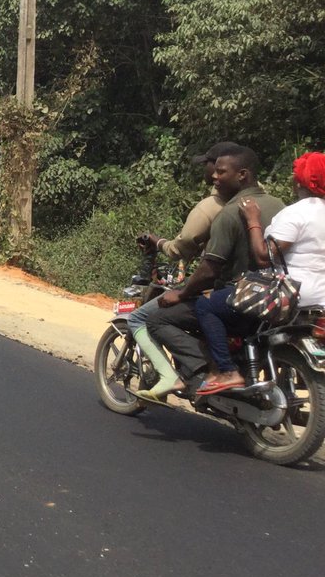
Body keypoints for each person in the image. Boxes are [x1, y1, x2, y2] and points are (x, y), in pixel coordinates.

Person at [140, 143, 285, 399]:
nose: (215, 177)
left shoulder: (228, 214)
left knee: (157, 319)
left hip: (237, 298)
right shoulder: (279, 205)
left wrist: (181, 293)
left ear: (242, 174)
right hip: (272, 296)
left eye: (221, 172)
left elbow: (209, 269)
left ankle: (208, 369)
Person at [192, 150, 325, 393]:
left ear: (299, 182)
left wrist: (253, 220)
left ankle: (226, 370)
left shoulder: (296, 213)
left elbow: (264, 257)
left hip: (288, 294)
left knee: (206, 305)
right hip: (321, 299)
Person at [128, 145, 226, 399]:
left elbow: (180, 248)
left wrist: (157, 241)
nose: (207, 171)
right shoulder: (264, 202)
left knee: (142, 318)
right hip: (255, 289)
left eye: (208, 164)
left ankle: (171, 375)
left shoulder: (211, 206)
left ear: (219, 168)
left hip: (213, 287)